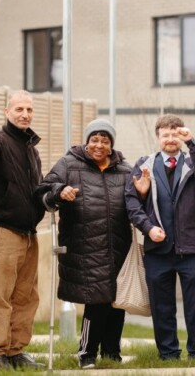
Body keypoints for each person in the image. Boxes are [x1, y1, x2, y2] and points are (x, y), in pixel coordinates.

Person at [36, 119, 132, 369]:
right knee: (97, 301)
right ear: (87, 142)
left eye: (105, 141)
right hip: (85, 245)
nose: (99, 145)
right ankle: (87, 353)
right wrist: (60, 191)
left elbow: (135, 201)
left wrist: (142, 190)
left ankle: (112, 354)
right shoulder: (69, 164)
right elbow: (43, 191)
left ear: (111, 144)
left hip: (118, 246)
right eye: (94, 140)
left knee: (116, 302)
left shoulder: (124, 169)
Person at [125, 114, 195, 360]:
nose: (171, 139)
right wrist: (148, 228)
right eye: (166, 135)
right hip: (157, 249)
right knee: (162, 305)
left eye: (176, 134)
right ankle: (168, 353)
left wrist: (192, 142)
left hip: (190, 248)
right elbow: (131, 202)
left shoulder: (192, 162)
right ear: (158, 137)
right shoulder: (144, 164)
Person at [0, 90, 47, 371]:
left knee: (26, 297)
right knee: (0, 296)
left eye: (29, 110)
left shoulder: (32, 149)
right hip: (3, 231)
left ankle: (17, 351)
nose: (25, 114)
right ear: (7, 112)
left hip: (29, 234)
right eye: (19, 109)